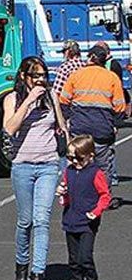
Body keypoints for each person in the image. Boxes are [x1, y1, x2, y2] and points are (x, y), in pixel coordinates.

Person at [2, 56, 67, 280]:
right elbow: (9, 128)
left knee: (42, 220)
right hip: (22, 166)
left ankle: (38, 275)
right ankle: (22, 265)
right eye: (36, 76)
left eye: (43, 76)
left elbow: (62, 128)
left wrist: (69, 162)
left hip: (48, 165)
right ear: (24, 77)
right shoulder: (13, 99)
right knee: (25, 221)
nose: (41, 80)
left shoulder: (52, 97)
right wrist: (29, 100)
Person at [59, 44, 125, 209]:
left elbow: (64, 101)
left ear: (89, 58)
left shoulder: (76, 76)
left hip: (80, 127)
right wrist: (115, 123)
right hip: (102, 129)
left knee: (78, 161)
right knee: (103, 166)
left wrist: (67, 120)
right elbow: (120, 107)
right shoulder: (111, 78)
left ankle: (75, 195)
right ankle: (103, 199)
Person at [56, 135, 111, 280]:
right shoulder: (69, 171)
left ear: (90, 156)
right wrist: (62, 193)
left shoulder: (96, 173)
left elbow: (105, 196)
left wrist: (96, 212)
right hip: (71, 220)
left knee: (85, 258)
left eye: (78, 158)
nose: (73, 161)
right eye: (69, 157)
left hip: (88, 222)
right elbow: (66, 194)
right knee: (73, 260)